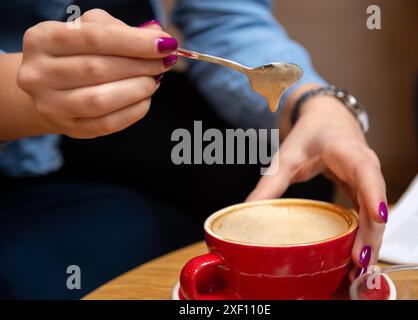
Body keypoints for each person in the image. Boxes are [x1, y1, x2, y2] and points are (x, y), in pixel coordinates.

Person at [0, 0, 387, 299]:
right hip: (14, 141)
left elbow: (225, 19)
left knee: (296, 172)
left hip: (137, 105)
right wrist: (16, 97)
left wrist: (315, 103)